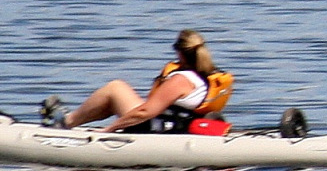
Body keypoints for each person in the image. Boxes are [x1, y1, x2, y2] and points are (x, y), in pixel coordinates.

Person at [42, 30, 234, 133]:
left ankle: (66, 124)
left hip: (158, 127)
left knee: (115, 88)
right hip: (177, 123)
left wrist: (110, 129)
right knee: (114, 99)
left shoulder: (180, 79)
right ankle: (70, 123)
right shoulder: (205, 76)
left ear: (180, 53)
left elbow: (144, 112)